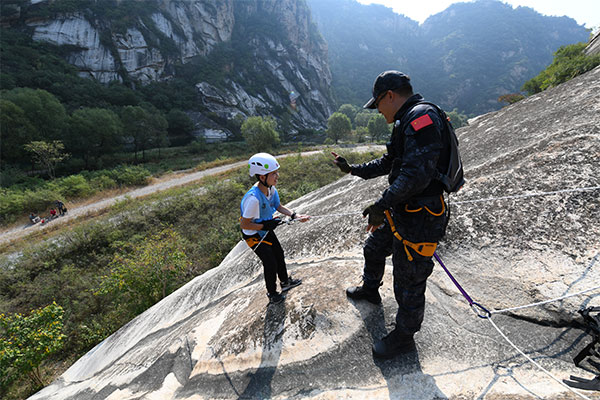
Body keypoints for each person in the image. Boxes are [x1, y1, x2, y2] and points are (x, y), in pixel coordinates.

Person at [332, 71, 452, 358]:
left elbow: (416, 175)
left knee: (408, 279)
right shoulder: (406, 120)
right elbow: (391, 161)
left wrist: (381, 205)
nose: (378, 111)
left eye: (378, 104)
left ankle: (404, 337)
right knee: (374, 247)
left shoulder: (421, 118)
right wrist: (353, 170)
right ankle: (371, 289)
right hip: (404, 210)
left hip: (421, 216)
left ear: (390, 95)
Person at [240, 153, 310, 305]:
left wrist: (295, 215)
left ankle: (285, 282)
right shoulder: (253, 199)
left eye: (277, 172)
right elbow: (244, 224)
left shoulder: (271, 189)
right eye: (273, 173)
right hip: (253, 235)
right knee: (270, 262)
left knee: (279, 253)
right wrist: (265, 225)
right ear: (261, 177)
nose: (277, 176)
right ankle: (272, 294)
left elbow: (278, 206)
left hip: (265, 228)